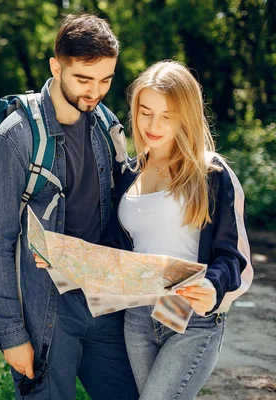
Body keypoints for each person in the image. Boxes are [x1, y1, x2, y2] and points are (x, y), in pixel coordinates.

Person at [0, 14, 138, 399]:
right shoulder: (14, 138)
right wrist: (11, 335)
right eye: (83, 79)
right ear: (56, 66)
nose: (94, 92)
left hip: (104, 304)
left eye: (105, 80)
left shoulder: (106, 125)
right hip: (48, 312)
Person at [109, 60, 253, 399]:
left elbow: (233, 257)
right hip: (139, 317)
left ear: (185, 115)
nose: (153, 125)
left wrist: (212, 285)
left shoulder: (211, 174)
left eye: (167, 115)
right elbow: (117, 250)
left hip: (192, 318)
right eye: (145, 112)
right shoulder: (127, 174)